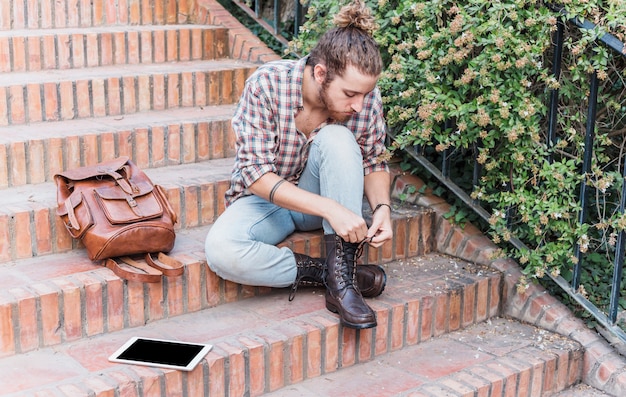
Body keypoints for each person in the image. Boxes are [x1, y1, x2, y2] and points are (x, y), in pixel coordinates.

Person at [205, 0, 392, 329]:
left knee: (337, 138)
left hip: (317, 199)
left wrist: (382, 209)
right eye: (350, 94)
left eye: (365, 94)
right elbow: (255, 175)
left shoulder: (365, 100)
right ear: (320, 74)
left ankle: (342, 283)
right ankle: (327, 274)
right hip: (266, 202)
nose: (360, 106)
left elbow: (374, 158)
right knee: (222, 251)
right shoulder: (267, 85)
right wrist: (331, 208)